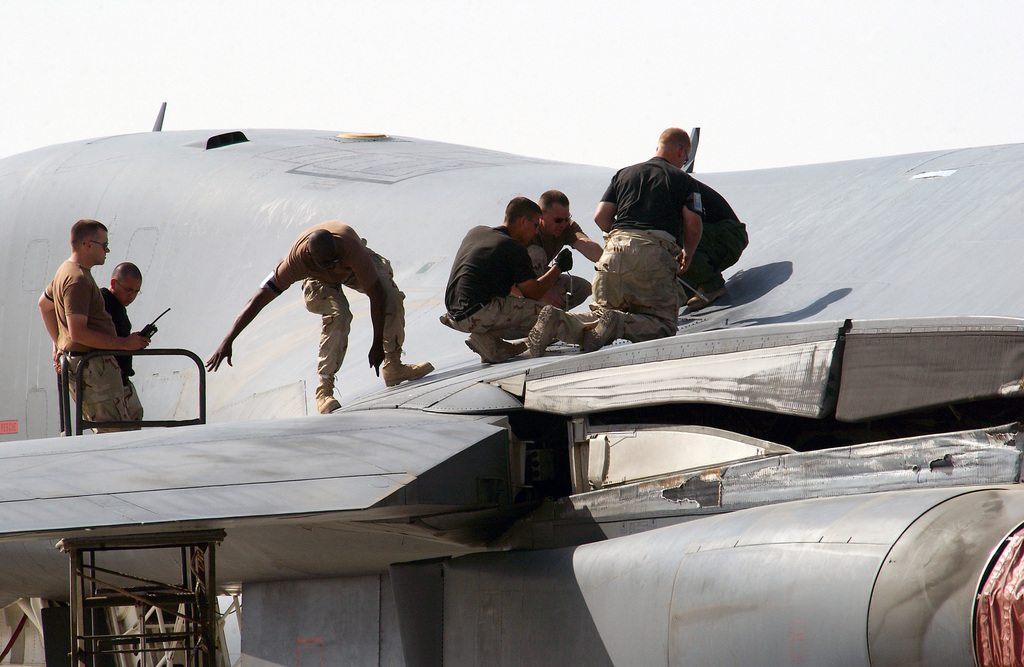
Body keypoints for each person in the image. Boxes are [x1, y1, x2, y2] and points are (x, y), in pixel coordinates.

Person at [206, 222, 434, 414]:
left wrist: (377, 345)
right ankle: (324, 391)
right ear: (310, 256)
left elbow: (377, 295)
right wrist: (228, 340)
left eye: (334, 260)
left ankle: (393, 366)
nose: (332, 266)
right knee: (339, 313)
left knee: (391, 295)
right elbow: (258, 299)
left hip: (352, 265)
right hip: (316, 277)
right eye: (327, 263)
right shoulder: (295, 263)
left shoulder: (350, 251)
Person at [527, 128, 704, 356]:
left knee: (600, 316)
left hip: (613, 252)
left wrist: (621, 239)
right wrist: (687, 254)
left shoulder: (624, 174)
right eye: (686, 157)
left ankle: (557, 320)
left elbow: (601, 216)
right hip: (653, 254)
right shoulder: (684, 180)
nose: (684, 162)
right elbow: (693, 225)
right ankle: (619, 323)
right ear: (681, 151)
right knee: (664, 325)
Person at [39, 219, 150, 433]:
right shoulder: (77, 279)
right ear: (87, 244)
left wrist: (58, 343)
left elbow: (44, 305)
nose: (107, 250)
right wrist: (125, 344)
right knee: (113, 436)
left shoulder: (66, 271)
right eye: (103, 244)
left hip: (93, 369)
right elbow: (78, 332)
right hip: (94, 371)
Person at [441, 197, 572, 364]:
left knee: (516, 308)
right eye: (535, 226)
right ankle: (589, 332)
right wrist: (559, 267)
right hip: (479, 313)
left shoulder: (477, 232)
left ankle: (489, 341)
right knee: (551, 315)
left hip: (455, 314)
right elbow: (534, 293)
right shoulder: (512, 247)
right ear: (523, 221)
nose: (536, 232)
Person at [674, 135, 748, 312]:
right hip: (711, 237)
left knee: (674, 237)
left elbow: (692, 227)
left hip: (728, 236)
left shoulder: (676, 183)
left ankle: (712, 285)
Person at [524, 190, 603, 310]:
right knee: (536, 253)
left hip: (540, 278)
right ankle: (532, 314)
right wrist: (543, 293)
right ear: (542, 215)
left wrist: (608, 260)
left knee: (582, 288)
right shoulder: (527, 227)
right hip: (518, 282)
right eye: (558, 220)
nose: (563, 224)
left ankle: (551, 316)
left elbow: (586, 245)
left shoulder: (566, 227)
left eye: (567, 219)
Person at [100, 262, 145, 424]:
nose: (131, 296)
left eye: (135, 292)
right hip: (106, 384)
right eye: (128, 290)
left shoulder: (118, 307)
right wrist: (126, 344)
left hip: (122, 381)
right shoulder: (101, 301)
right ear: (114, 283)